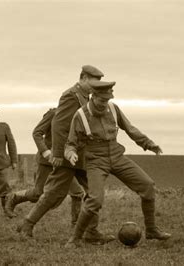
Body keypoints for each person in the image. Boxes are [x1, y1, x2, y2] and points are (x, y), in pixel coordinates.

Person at [63, 80, 171, 248]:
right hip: (96, 160)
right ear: (93, 97)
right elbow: (70, 143)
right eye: (101, 100)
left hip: (117, 155)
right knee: (95, 200)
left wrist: (149, 144)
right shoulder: (81, 115)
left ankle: (151, 230)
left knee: (148, 186)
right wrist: (71, 154)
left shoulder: (113, 108)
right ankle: (75, 239)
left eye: (107, 100)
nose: (105, 104)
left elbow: (130, 129)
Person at [17, 65, 113, 244]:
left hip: (83, 156)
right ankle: (27, 225)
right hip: (69, 157)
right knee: (54, 193)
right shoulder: (70, 95)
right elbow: (59, 126)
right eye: (93, 81)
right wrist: (59, 154)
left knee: (94, 192)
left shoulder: (86, 97)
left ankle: (91, 231)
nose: (96, 85)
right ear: (83, 78)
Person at [4, 107, 84, 226]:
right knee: (38, 193)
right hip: (47, 161)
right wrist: (46, 152)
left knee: (77, 193)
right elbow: (37, 133)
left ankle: (76, 225)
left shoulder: (79, 116)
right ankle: (14, 197)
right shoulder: (54, 113)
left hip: (65, 163)